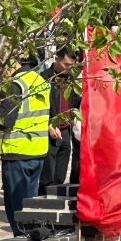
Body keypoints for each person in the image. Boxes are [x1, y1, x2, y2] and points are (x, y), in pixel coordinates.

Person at [0, 56, 51, 237]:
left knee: (17, 210)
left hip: (16, 151)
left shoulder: (15, 85)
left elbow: (6, 121)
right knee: (29, 206)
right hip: (37, 152)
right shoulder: (40, 80)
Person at [42, 46, 82, 193]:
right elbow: (39, 107)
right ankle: (43, 203)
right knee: (48, 174)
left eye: (71, 66)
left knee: (61, 173)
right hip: (50, 130)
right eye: (66, 65)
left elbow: (76, 101)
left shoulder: (71, 80)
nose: (68, 68)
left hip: (65, 130)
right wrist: (48, 125)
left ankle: (56, 199)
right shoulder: (45, 78)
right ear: (56, 58)